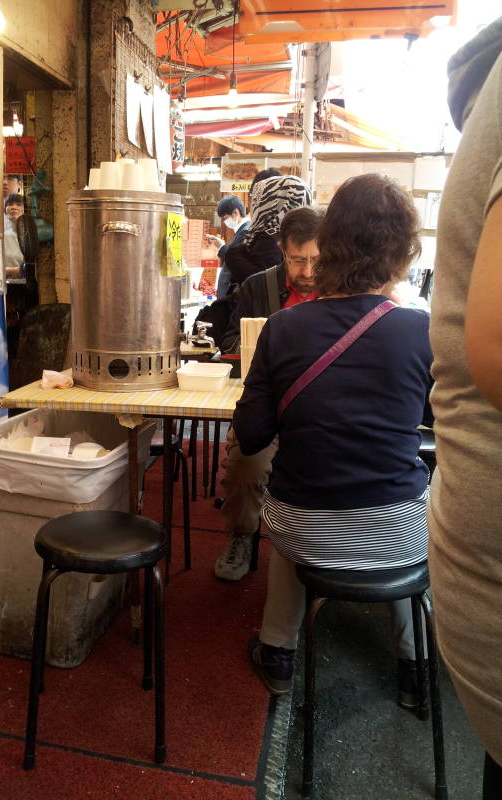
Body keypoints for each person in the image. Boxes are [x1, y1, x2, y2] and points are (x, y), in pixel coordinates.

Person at [233, 174, 432, 707]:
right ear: (402, 252)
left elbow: (250, 437)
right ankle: (416, 668)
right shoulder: (422, 331)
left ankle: (278, 653)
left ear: (329, 248)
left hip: (307, 527)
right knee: (402, 520)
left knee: (294, 513)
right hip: (400, 531)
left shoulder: (283, 328)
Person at [427, 18, 502, 798]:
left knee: (265, 481)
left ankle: (280, 642)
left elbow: (253, 429)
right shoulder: (405, 334)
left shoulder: (287, 326)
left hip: (458, 555)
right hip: (419, 538)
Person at [214, 207, 323, 581]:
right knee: (246, 461)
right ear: (281, 250)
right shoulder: (256, 287)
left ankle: (321, 542)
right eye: (297, 261)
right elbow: (227, 343)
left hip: (321, 415)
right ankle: (242, 534)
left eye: (316, 260)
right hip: (267, 407)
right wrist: (258, 344)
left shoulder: (341, 289)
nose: (308, 272)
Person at [225, 174, 311, 288]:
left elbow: (262, 285)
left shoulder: (269, 237)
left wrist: (232, 255)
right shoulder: (305, 235)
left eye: (257, 198)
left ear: (269, 202)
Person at [207, 195, 250, 299]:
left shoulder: (245, 231)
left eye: (225, 218)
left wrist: (221, 247)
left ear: (235, 213)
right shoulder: (241, 231)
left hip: (232, 294)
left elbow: (235, 260)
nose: (225, 223)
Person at [3, 193, 25, 281]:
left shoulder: (30, 235)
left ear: (24, 209)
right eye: (10, 204)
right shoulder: (2, 237)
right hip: (6, 286)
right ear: (5, 210)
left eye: (19, 205)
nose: (14, 207)